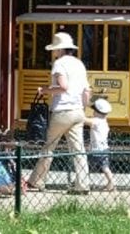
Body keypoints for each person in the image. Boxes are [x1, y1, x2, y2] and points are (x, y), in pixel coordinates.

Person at [25, 32, 91, 194]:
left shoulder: (59, 64)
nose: (54, 52)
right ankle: (83, 185)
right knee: (78, 150)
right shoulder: (79, 64)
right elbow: (87, 91)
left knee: (49, 147)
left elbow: (63, 87)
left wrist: (44, 90)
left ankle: (37, 181)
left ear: (60, 49)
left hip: (62, 111)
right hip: (78, 111)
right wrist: (82, 107)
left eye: (55, 49)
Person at [84, 98, 116, 192]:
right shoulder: (104, 121)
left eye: (94, 111)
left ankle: (82, 181)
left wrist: (78, 113)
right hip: (104, 149)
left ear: (97, 112)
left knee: (85, 164)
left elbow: (84, 120)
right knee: (105, 167)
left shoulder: (96, 121)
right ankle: (111, 182)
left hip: (96, 150)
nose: (93, 112)